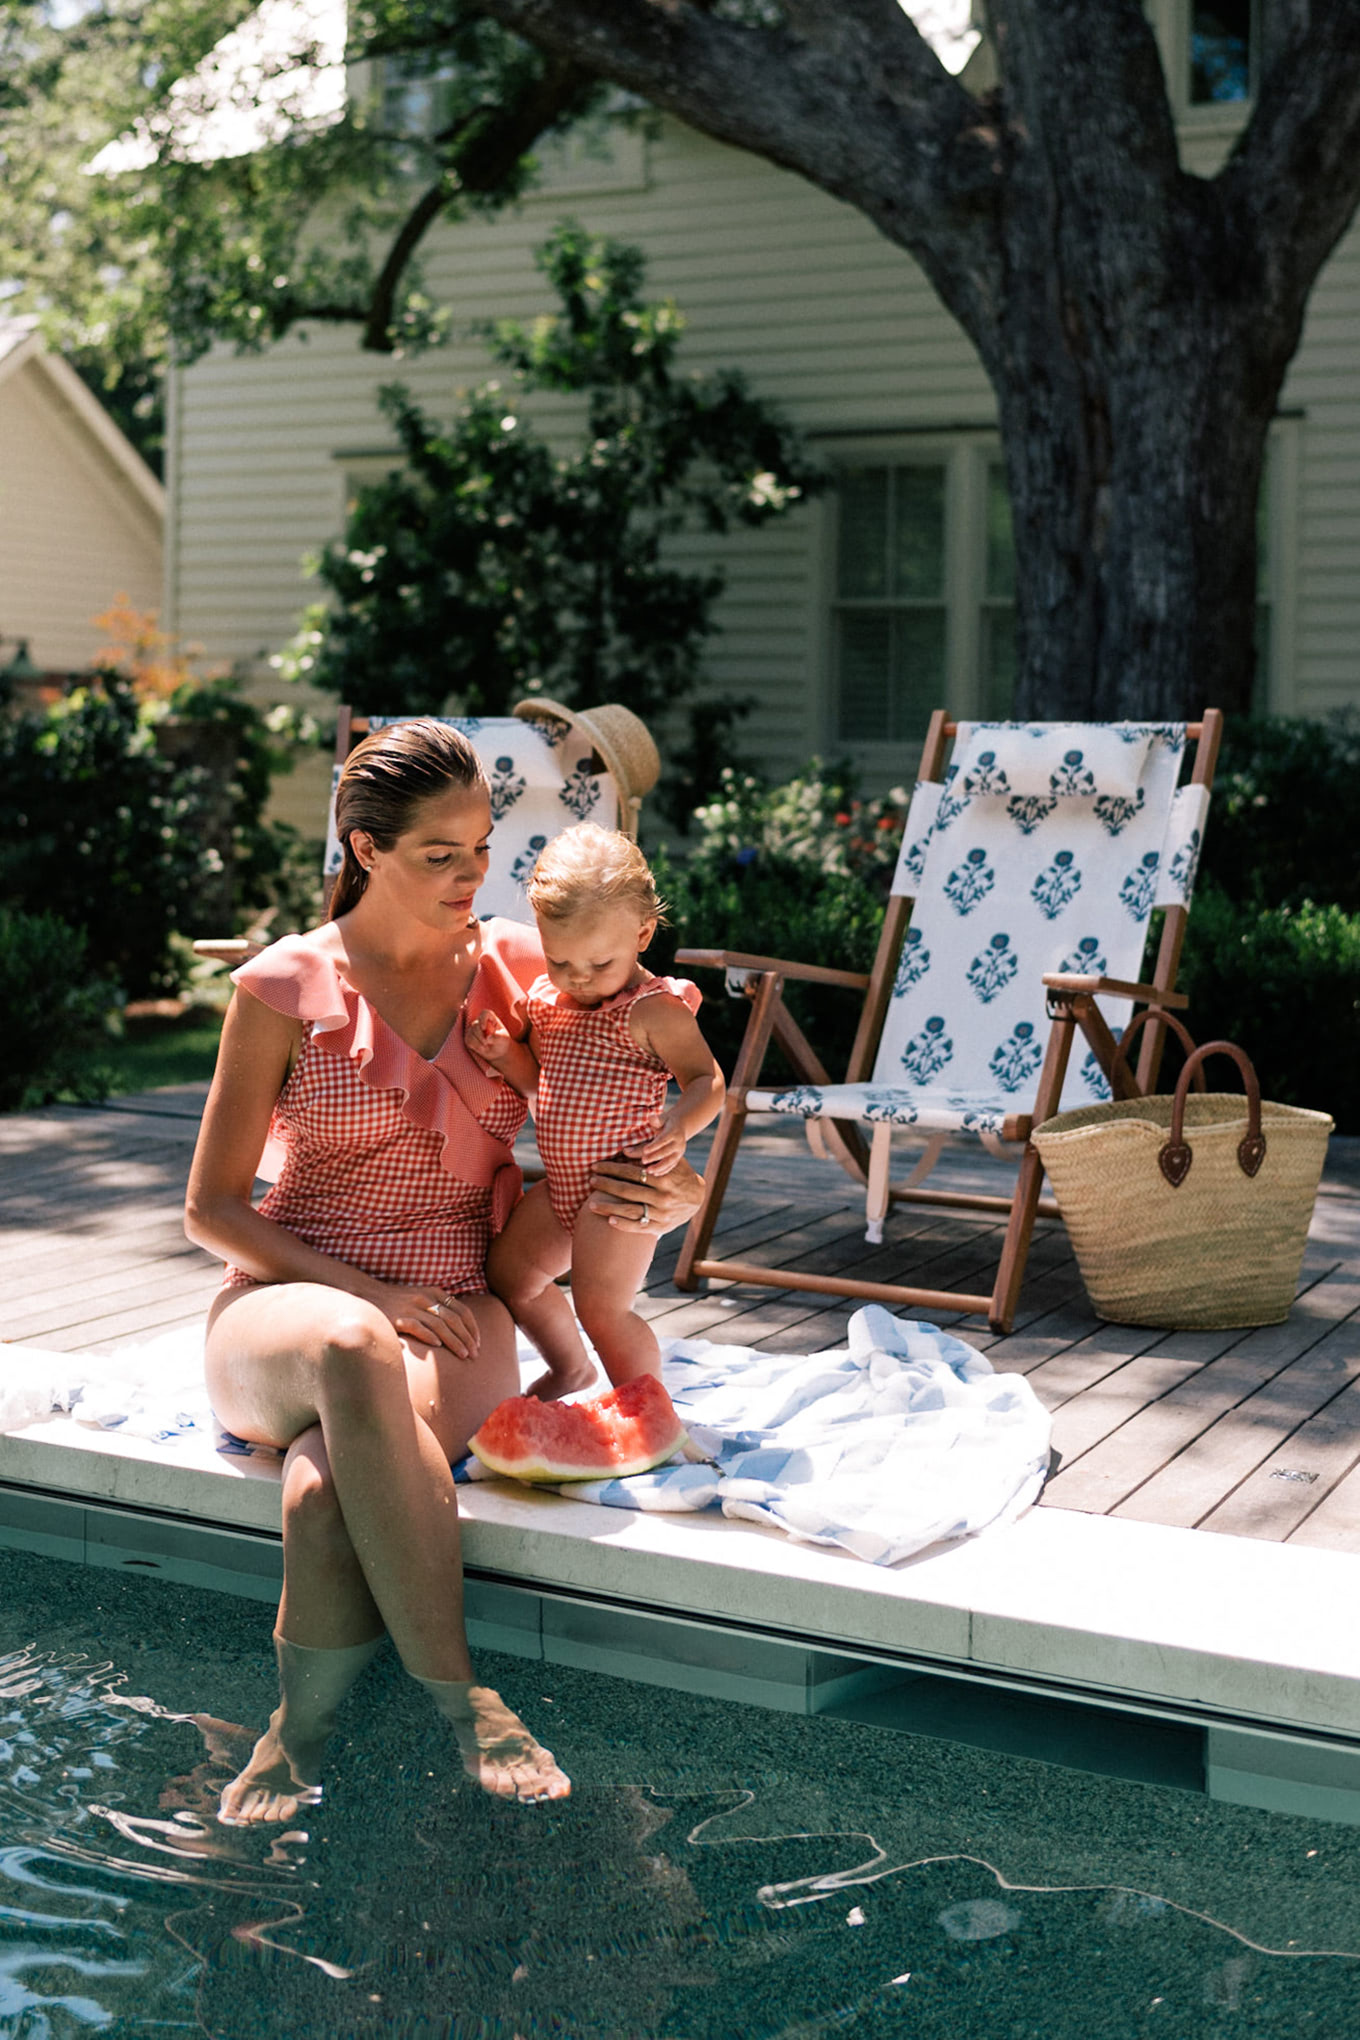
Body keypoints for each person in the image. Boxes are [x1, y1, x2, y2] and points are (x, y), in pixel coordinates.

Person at [185, 720, 702, 1823]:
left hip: (459, 1313)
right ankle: (459, 1692)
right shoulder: (281, 986)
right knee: (348, 1343)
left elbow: (640, 1089)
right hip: (283, 1309)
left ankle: (299, 1727)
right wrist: (368, 1295)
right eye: (440, 855)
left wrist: (672, 1185)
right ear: (367, 851)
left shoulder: (529, 964)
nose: (473, 876)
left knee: (327, 1489)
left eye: (482, 849)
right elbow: (212, 1209)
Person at [466, 824, 724, 1398]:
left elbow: (708, 1079)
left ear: (643, 934)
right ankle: (570, 1368)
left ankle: (649, 1411)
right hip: (563, 1187)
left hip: (621, 1188)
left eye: (598, 963)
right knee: (510, 1276)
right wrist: (506, 1054)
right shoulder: (547, 1002)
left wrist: (681, 1126)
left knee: (602, 1309)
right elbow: (545, 1087)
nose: (578, 979)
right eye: (559, 961)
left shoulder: (654, 1009)